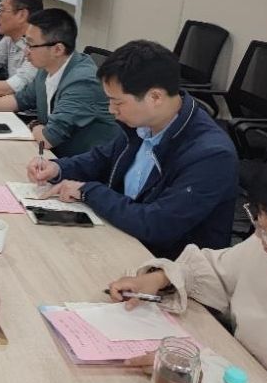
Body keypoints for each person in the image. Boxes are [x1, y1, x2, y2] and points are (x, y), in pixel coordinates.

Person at [107, 161, 267, 383]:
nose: (260, 238)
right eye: (258, 223)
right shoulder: (265, 250)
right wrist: (161, 278)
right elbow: (217, 271)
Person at [28, 40, 237, 259]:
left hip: (165, 265)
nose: (111, 110)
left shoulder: (210, 155)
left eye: (118, 103)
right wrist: (58, 168)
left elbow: (157, 225)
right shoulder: (142, 123)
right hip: (120, 236)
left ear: (155, 97)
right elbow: (102, 159)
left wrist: (87, 191)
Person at [0, 8, 118, 157]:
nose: (26, 51)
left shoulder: (82, 82)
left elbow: (48, 139)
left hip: (83, 167)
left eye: (31, 44)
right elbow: (21, 99)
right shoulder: (47, 68)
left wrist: (34, 125)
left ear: (58, 49)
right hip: (53, 155)